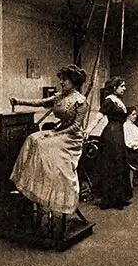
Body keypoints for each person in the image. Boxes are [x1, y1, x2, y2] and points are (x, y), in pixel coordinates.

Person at [9, 64, 88, 215]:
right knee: (32, 138)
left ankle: (50, 191)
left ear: (74, 81)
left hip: (72, 138)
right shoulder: (59, 96)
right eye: (62, 79)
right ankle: (31, 184)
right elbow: (41, 102)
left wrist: (55, 134)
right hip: (59, 132)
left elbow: (77, 127)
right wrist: (18, 101)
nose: (62, 82)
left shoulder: (80, 100)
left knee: (42, 143)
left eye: (66, 79)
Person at [85, 76, 132, 210]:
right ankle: (109, 199)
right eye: (122, 86)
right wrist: (88, 130)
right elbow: (98, 117)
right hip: (111, 136)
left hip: (118, 135)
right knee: (112, 165)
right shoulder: (109, 101)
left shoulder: (118, 100)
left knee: (120, 164)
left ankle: (119, 198)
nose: (124, 88)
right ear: (114, 88)